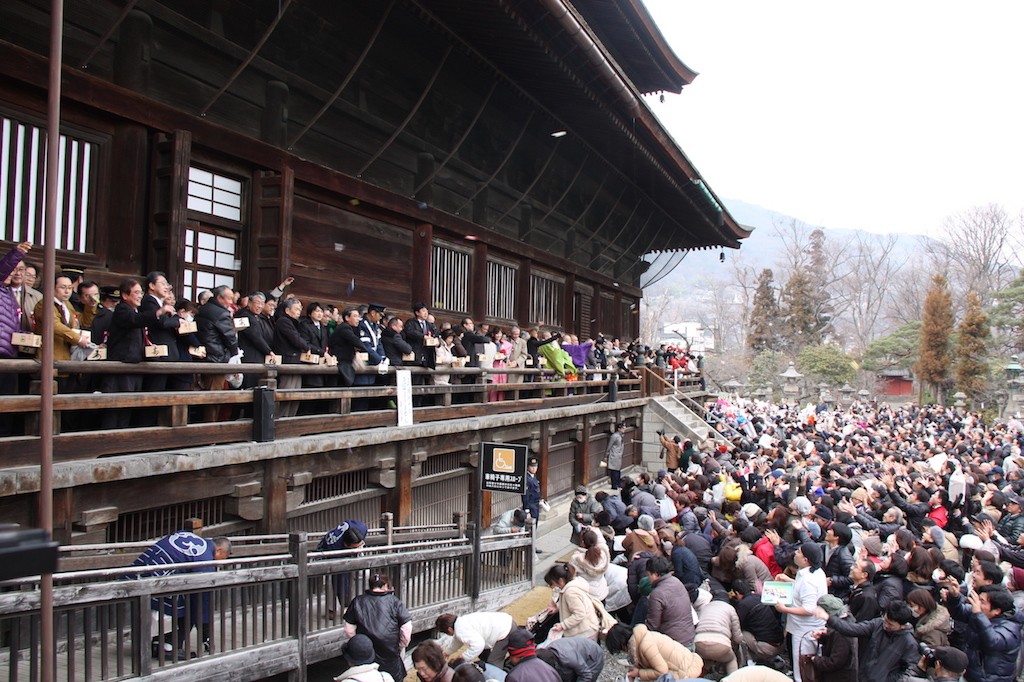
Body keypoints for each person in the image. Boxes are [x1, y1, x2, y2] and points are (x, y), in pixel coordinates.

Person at [129, 531, 231, 659]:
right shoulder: (205, 559)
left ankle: (157, 643)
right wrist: (205, 633)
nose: (219, 563)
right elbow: (202, 599)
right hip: (156, 581)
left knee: (179, 603)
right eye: (223, 558)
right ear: (219, 550)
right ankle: (168, 647)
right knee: (190, 609)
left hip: (137, 573)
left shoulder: (188, 535)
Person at [815, 601, 919, 682]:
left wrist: (889, 679)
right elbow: (852, 629)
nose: (886, 626)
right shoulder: (878, 624)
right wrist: (829, 619)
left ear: (903, 625)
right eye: (885, 620)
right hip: (863, 677)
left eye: (891, 625)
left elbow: (910, 671)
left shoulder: (909, 643)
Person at [343, 572, 411, 681]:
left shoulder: (358, 601)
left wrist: (359, 643)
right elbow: (406, 629)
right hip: (390, 653)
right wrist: (400, 645)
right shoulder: (395, 602)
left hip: (365, 654)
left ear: (370, 586)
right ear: (385, 586)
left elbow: (349, 629)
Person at [774, 542, 827, 682]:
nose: (795, 553)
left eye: (799, 552)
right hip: (804, 627)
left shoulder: (808, 580)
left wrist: (784, 609)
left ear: (805, 560)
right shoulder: (814, 572)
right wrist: (789, 580)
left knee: (802, 668)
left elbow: (809, 608)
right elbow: (802, 591)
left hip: (804, 630)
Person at [604, 622, 705, 680]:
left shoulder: (645, 645)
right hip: (688, 661)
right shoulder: (642, 636)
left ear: (622, 645)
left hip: (686, 671)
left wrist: (639, 673)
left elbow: (662, 671)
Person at [318, 519, 369, 614]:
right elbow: (340, 582)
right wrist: (345, 604)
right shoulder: (334, 548)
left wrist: (358, 548)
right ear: (346, 545)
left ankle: (360, 604)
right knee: (333, 581)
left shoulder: (361, 528)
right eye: (355, 547)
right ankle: (332, 609)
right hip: (330, 555)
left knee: (364, 574)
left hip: (349, 552)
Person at [272, 298, 312, 418]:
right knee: (286, 393)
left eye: (300, 309)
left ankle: (290, 420)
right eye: (296, 309)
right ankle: (281, 420)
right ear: (287, 310)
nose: (299, 311)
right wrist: (306, 346)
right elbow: (294, 338)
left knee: (295, 394)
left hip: (295, 361)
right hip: (288, 361)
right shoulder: (283, 321)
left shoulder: (294, 323)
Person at [436, 611, 515, 667]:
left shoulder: (460, 629)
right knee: (482, 654)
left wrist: (464, 657)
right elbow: (457, 640)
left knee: (493, 663)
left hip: (504, 631)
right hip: (506, 622)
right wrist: (447, 652)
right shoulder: (461, 622)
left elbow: (478, 645)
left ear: (449, 629)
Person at [543, 563, 599, 639]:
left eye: (553, 583)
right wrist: (557, 608)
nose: (553, 587)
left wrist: (563, 625)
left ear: (560, 581)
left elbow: (579, 614)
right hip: (588, 629)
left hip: (583, 633)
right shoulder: (574, 585)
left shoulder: (570, 592)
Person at [235, 292, 274, 389]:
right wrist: (268, 351)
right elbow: (255, 337)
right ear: (249, 303)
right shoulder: (244, 315)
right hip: (248, 356)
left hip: (257, 356)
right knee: (248, 385)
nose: (260, 306)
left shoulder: (258, 318)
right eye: (257, 303)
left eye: (262, 303)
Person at [534, 635, 604, 682]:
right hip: (575, 651)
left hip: (593, 656)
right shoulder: (545, 652)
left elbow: (586, 675)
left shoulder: (568, 658)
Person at [567, 528, 610, 601]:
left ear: (583, 542)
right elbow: (602, 542)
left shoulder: (576, 559)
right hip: (602, 593)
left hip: (586, 596)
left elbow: (570, 577)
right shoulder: (603, 553)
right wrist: (596, 531)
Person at [607, 422, 625, 490]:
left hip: (619, 455)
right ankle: (614, 485)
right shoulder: (614, 436)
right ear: (619, 429)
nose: (624, 429)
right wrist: (606, 454)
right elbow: (609, 445)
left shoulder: (621, 435)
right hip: (614, 454)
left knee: (618, 470)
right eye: (623, 428)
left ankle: (618, 484)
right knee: (614, 470)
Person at [522, 458, 541, 522]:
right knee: (531, 524)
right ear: (527, 467)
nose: (534, 468)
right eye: (532, 466)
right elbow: (526, 495)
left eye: (535, 466)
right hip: (531, 505)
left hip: (536, 504)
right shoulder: (527, 479)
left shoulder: (533, 476)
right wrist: (527, 509)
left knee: (535, 522)